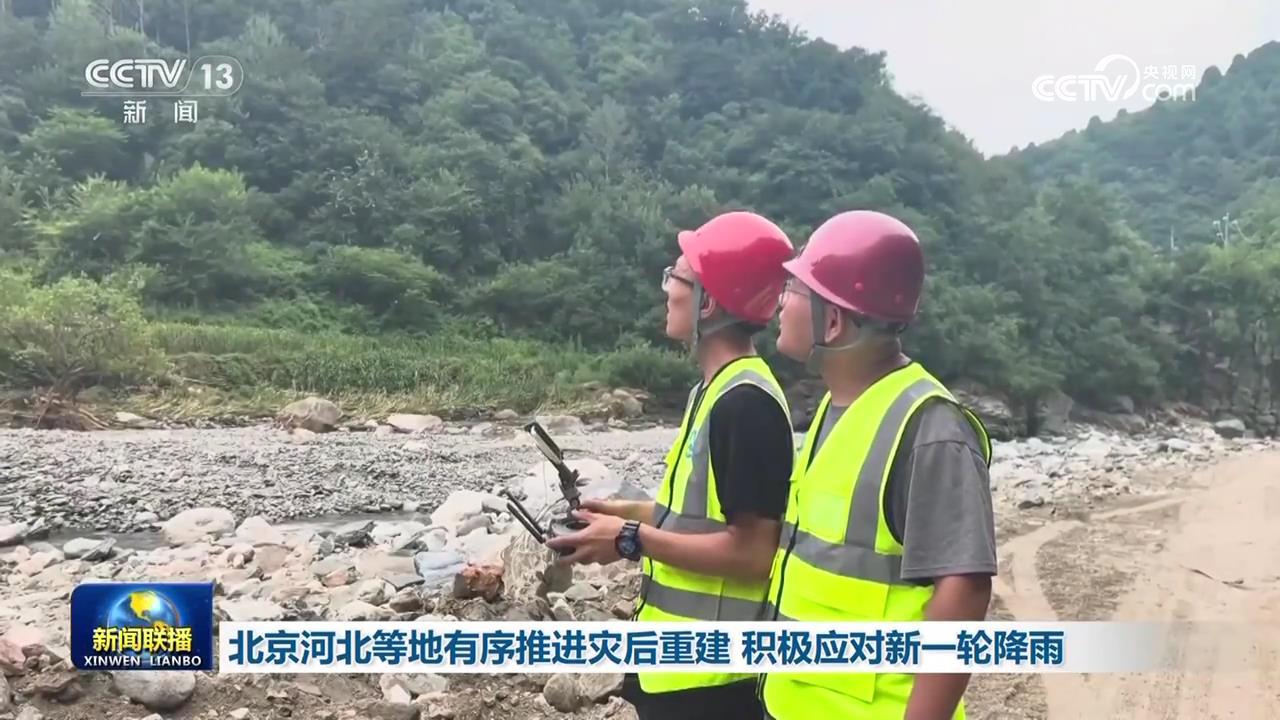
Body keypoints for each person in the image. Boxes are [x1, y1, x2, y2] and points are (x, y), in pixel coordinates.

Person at [545, 211, 797, 720]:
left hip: (715, 683)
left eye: (676, 276)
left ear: (708, 299)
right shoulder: (712, 391)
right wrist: (621, 513)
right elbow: (695, 513)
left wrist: (629, 539)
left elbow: (753, 554)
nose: (667, 289)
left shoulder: (744, 405)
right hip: (678, 670)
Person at [759, 210, 997, 720]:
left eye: (796, 290)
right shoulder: (835, 407)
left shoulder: (931, 428)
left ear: (835, 319)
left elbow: (965, 591)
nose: (781, 302)